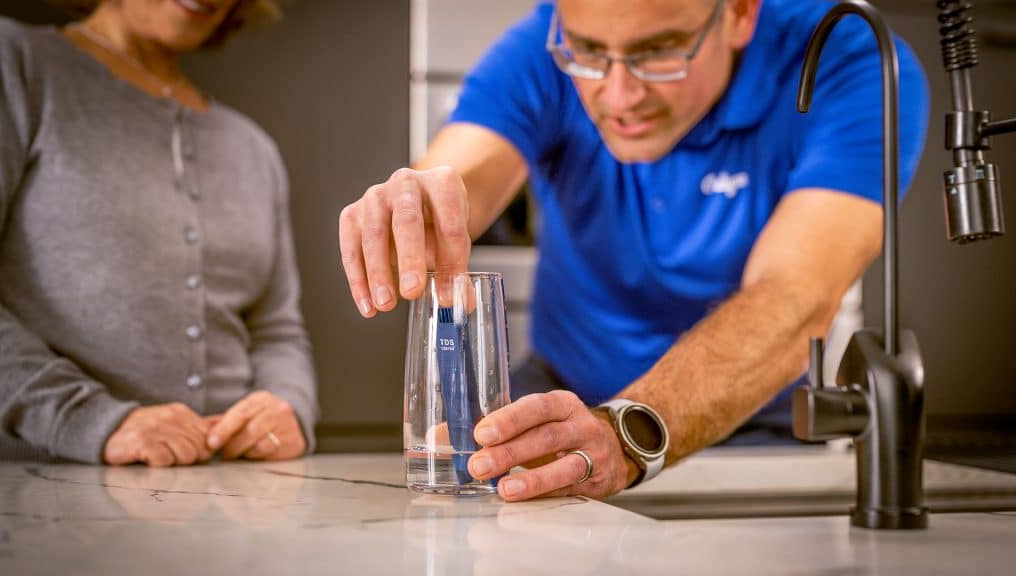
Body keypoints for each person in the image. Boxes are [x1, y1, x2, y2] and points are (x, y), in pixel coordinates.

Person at [340, 0, 929, 501]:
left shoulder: (850, 59)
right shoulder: (544, 44)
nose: (617, 96)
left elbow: (797, 297)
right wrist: (420, 201)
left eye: (660, 52)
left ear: (741, 12)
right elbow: (468, 170)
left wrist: (626, 434)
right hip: (553, 400)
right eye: (589, 53)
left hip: (750, 422)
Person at [0, 0, 318, 466]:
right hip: (40, 498)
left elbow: (277, 329)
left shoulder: (253, 148)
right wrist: (92, 420)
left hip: (236, 503)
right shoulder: (13, 63)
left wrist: (288, 406)